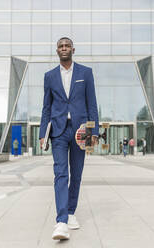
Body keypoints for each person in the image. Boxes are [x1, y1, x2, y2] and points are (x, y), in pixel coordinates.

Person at [39, 37, 99, 240]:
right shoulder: (49, 76)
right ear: (57, 50)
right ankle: (62, 221)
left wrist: (95, 131)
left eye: (66, 46)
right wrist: (42, 134)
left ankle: (71, 211)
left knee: (77, 174)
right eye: (60, 46)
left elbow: (92, 104)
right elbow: (46, 107)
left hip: (81, 131)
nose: (64, 49)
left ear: (73, 49)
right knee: (60, 173)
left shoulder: (85, 73)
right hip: (58, 131)